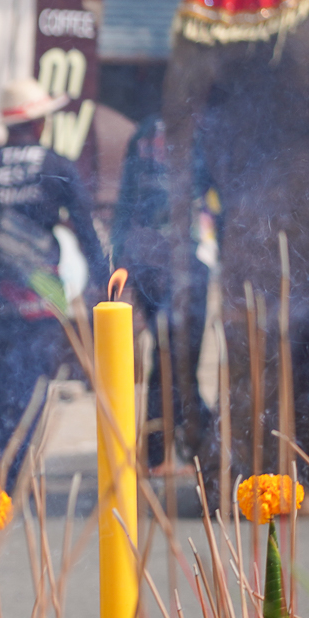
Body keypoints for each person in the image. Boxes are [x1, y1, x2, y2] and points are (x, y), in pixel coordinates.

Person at [0, 78, 107, 477]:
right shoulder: (56, 167)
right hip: (41, 300)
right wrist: (102, 284)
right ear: (39, 123)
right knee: (34, 389)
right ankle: (19, 475)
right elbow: (86, 230)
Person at [114, 115, 213, 467]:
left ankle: (181, 442)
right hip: (174, 265)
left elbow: (124, 207)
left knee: (173, 359)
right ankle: (178, 445)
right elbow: (128, 202)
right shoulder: (194, 135)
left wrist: (121, 260)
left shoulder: (154, 136)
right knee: (173, 360)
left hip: (162, 263)